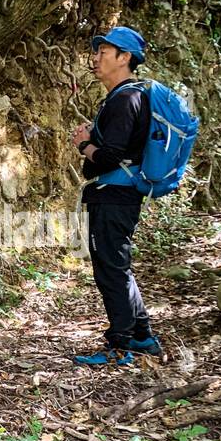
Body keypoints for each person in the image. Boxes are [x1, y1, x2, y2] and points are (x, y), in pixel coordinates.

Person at [71, 26, 160, 366]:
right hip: (117, 195)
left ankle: (120, 345)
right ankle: (141, 335)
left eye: (103, 53)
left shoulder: (126, 99)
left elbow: (110, 157)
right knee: (117, 266)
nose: (95, 59)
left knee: (110, 268)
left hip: (114, 196)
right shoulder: (126, 97)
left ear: (124, 58)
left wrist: (84, 144)